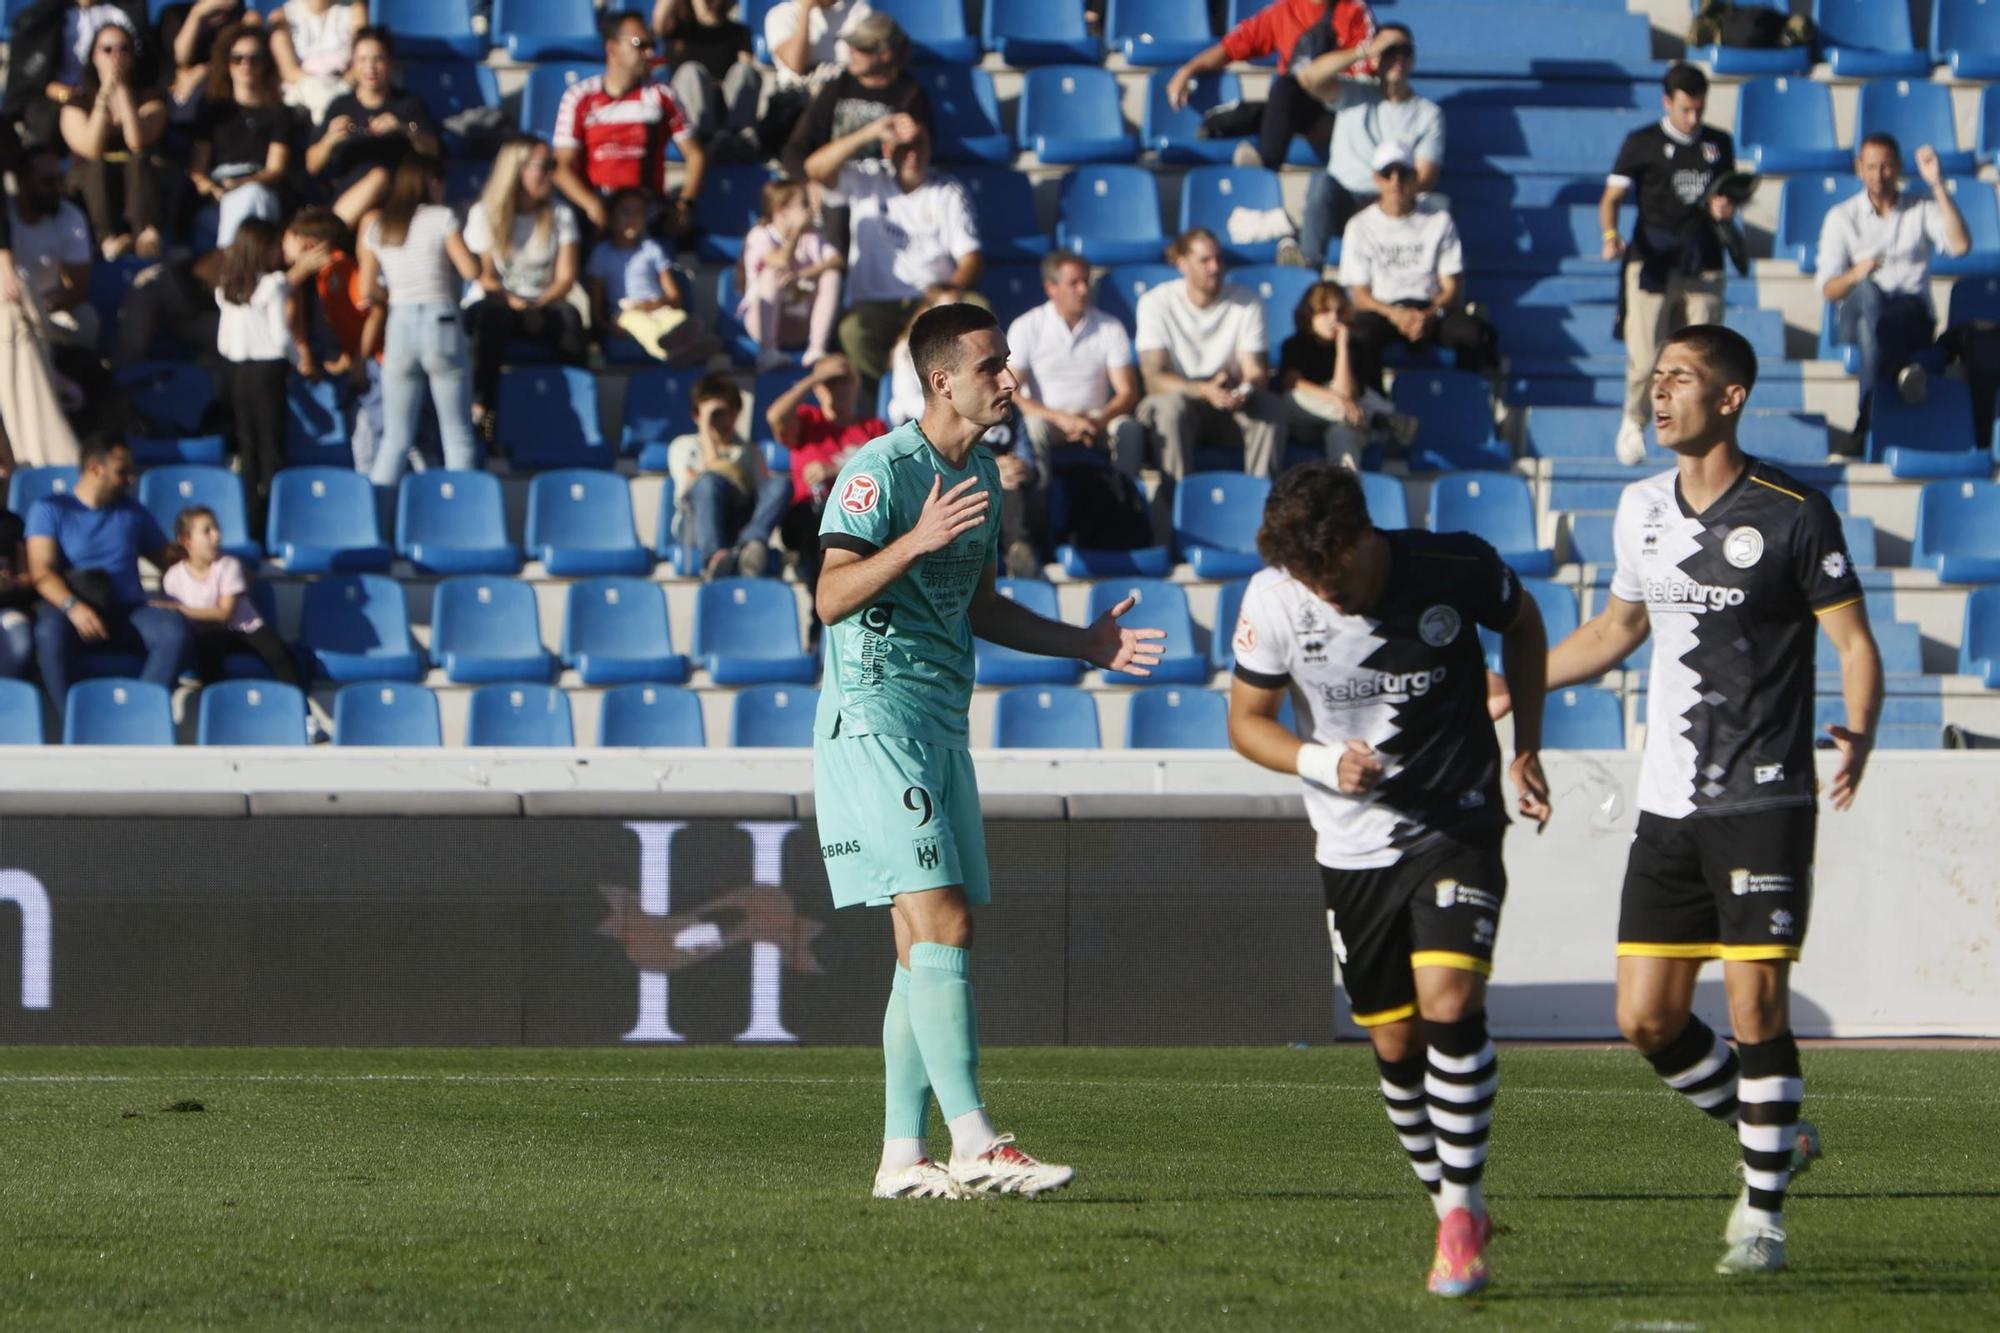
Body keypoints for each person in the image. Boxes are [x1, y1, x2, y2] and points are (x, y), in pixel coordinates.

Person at [1541, 324, 1882, 1276]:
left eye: (1679, 379)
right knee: (1645, 1018)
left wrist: (1857, 729)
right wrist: (1510, 685)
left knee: (1755, 1002)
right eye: (1654, 379)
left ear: (1730, 398)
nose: (1659, 395)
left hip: (1764, 794)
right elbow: (1614, 630)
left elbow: (1854, 642)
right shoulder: (1640, 507)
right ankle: (1776, 1133)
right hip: (1668, 803)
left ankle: (1764, 1216)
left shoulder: (1792, 511)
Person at [812, 302, 1164, 1201]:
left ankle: (900, 1157)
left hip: (938, 722)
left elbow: (982, 606)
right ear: (942, 380)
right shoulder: (880, 471)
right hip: (877, 720)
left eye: (1007, 361)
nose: (1011, 377)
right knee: (949, 923)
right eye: (993, 364)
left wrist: (1081, 645)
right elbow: (829, 596)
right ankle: (973, 1139)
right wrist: (913, 540)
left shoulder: (984, 479)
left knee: (918, 949)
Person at [1227, 461, 1550, 1298]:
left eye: (1328, 574)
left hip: (1456, 818)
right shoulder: (1271, 600)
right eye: (1303, 576)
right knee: (1395, 1042)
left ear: (1367, 537)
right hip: (1350, 843)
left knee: (1449, 1002)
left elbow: (1527, 624)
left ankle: (1463, 1212)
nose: (1318, 592)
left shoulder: (1456, 566)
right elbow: (1246, 722)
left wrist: (1527, 745)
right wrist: (1322, 759)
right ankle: (1444, 1197)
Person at [1601, 62, 1737, 466]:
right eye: (1685, 110)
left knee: (1704, 358)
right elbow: (1610, 198)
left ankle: (1701, 431)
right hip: (1653, 260)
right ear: (1667, 102)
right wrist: (1611, 236)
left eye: (1699, 109)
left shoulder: (1718, 144)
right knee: (1646, 358)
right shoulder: (1641, 142)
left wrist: (1724, 208)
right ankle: (1633, 419)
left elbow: (1727, 195)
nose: (1693, 118)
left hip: (1703, 261)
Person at [1817, 133, 1971, 446]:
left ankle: (1866, 424)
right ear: (1860, 168)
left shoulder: (1920, 208)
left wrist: (1937, 184)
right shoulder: (1841, 217)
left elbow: (1960, 245)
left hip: (1908, 316)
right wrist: (1856, 273)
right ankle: (1899, 370)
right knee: (1870, 297)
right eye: (1871, 167)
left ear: (1899, 167)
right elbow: (1829, 290)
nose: (1879, 175)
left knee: (1872, 331)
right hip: (1857, 306)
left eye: (1886, 166)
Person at [810, 119, 980, 400]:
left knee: (979, 312)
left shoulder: (947, 190)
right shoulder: (866, 178)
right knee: (852, 332)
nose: (912, 154)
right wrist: (868, 132)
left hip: (930, 298)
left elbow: (971, 258)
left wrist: (938, 300)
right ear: (888, 149)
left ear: (930, 149)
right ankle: (888, 397)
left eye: (919, 145)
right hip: (874, 303)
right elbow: (814, 169)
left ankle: (953, 400)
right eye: (904, 146)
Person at [25, 435, 190, 717]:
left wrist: (201, 553)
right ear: (94, 469)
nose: (131, 479)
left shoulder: (133, 512)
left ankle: (137, 718)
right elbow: (42, 572)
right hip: (71, 610)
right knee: (48, 634)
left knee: (173, 633)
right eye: (122, 471)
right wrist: (72, 607)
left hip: (126, 611)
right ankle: (73, 722)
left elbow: (168, 560)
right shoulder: (50, 509)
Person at [1135, 227, 1283, 539]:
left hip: (1228, 405)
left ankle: (1263, 520)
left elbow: (1256, 371)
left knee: (1268, 408)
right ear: (1183, 264)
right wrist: (1203, 389)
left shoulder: (1247, 302)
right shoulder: (1155, 303)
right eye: (1205, 260)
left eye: (1218, 259)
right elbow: (1153, 379)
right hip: (1178, 404)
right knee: (1170, 408)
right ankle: (1175, 522)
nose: (1215, 267)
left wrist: (1244, 389)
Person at [356, 153, 482, 487]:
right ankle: (462, 514)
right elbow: (471, 270)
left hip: (399, 323)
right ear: (432, 182)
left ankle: (378, 516)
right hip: (440, 320)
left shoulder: (379, 225)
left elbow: (368, 289)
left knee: (395, 437)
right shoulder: (441, 218)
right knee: (456, 431)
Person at [1339, 141, 1497, 394]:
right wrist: (1395, 314)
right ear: (1376, 179)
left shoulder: (1439, 220)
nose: (1395, 181)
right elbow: (1359, 295)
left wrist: (1428, 315)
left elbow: (1451, 287)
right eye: (1387, 173)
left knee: (1474, 334)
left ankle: (1466, 403)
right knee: (1358, 338)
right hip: (1382, 310)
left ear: (1415, 177)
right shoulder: (1360, 226)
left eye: (1403, 173)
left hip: (1430, 309)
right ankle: (1376, 410)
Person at [780, 10, 931, 259]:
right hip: (834, 186)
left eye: (860, 47)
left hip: (884, 193)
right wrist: (809, 182)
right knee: (831, 197)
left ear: (885, 54)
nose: (850, 52)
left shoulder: (910, 95)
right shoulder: (837, 87)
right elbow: (795, 149)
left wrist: (914, 137)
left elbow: (920, 154)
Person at [464, 136, 586, 437]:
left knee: (569, 318)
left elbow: (565, 278)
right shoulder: (484, 213)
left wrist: (538, 305)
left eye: (553, 166)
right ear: (516, 170)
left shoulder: (561, 214)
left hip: (543, 302)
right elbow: (486, 278)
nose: (552, 174)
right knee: (493, 318)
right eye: (544, 167)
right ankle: (483, 414)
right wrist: (517, 304)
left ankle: (572, 417)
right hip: (496, 303)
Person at [1164, 0, 1378, 172]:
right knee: (1284, 90)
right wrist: (1187, 70)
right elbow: (1230, 47)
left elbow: (1366, 80)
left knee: (1280, 96)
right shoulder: (1283, 10)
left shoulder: (1354, 11)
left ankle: (1266, 163)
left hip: (1340, 108)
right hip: (1295, 106)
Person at [1295, 23, 1441, 270]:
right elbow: (1308, 78)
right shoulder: (1354, 90)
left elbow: (1425, 177)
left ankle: (1432, 295)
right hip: (1344, 197)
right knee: (1321, 183)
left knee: (1440, 205)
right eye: (1389, 50)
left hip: (1392, 198)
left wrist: (1388, 194)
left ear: (1413, 60)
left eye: (1405, 51)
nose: (1397, 58)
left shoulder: (1427, 114)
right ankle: (1308, 272)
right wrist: (1363, 52)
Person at [551, 10, 707, 235]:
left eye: (651, 44)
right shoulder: (579, 97)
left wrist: (685, 203)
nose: (649, 52)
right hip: (597, 215)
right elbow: (561, 166)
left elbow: (695, 155)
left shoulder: (662, 96)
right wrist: (591, 204)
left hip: (648, 215)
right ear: (612, 48)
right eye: (639, 44)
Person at [216, 217, 325, 535]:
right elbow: (280, 337)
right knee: (272, 449)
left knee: (248, 449)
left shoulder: (227, 288)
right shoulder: (273, 284)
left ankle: (252, 523)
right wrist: (298, 360)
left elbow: (224, 341)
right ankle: (274, 525)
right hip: (268, 371)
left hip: (239, 371)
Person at [1004, 248, 1146, 486]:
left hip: (1096, 420)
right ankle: (1037, 510)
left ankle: (1125, 503)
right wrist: (1060, 419)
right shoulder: (1026, 327)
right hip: (1048, 420)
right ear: (1051, 288)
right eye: (1074, 283)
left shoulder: (1110, 327)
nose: (1083, 289)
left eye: (1086, 281)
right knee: (1033, 428)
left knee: (1128, 430)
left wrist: (1097, 422)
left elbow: (1127, 392)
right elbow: (1011, 392)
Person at [771, 351, 886, 606]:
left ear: (856, 383)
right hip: (807, 517)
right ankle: (822, 608)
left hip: (857, 517)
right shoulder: (807, 421)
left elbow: (884, 471)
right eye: (828, 381)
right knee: (820, 523)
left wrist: (836, 470)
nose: (836, 388)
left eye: (843, 379)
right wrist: (812, 379)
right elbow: (775, 418)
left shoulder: (872, 429)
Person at [306, 27, 442, 230]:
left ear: (390, 63)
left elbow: (433, 150)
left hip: (397, 199)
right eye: (362, 60)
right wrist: (329, 139)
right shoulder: (340, 106)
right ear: (353, 64)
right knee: (371, 209)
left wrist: (404, 129)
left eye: (377, 59)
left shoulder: (407, 105)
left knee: (376, 195)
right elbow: (312, 165)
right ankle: (332, 235)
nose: (370, 67)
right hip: (350, 196)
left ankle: (330, 235)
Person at [58, 19, 168, 260]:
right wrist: (104, 95)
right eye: (107, 49)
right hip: (91, 178)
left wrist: (124, 93)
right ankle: (107, 238)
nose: (115, 56)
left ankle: (145, 233)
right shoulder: (78, 102)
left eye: (123, 49)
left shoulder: (148, 98)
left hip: (137, 178)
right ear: (94, 56)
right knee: (96, 164)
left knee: (140, 159)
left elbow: (137, 141)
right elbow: (91, 148)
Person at [157, 504, 300, 686]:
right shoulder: (173, 577)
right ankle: (218, 706)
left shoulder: (229, 565)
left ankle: (297, 703)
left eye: (216, 528)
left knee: (279, 653)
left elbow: (225, 613)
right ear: (187, 541)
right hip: (208, 634)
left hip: (244, 629)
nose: (216, 536)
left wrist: (182, 609)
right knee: (207, 655)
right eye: (207, 531)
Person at [664, 373, 790, 579]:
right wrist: (706, 430)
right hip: (699, 524)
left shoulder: (750, 451)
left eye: (730, 412)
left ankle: (751, 545)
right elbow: (694, 483)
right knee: (708, 482)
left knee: (780, 483)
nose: (725, 420)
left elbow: (764, 498)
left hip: (741, 521)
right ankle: (714, 559)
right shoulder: (684, 446)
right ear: (697, 415)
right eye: (716, 414)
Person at [584, 187, 718, 365]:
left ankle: (691, 343)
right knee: (641, 324)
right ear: (611, 218)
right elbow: (596, 301)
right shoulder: (601, 253)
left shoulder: (652, 249)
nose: (632, 218)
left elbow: (675, 298)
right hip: (625, 313)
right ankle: (669, 354)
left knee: (677, 319)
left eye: (638, 212)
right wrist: (606, 326)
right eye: (625, 211)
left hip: (658, 307)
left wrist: (651, 305)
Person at [189, 24, 292, 251]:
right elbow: (197, 168)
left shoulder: (279, 112)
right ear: (227, 62)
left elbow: (275, 169)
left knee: (250, 197)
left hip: (260, 189)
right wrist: (211, 187)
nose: (246, 65)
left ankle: (230, 271)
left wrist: (240, 184)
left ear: (265, 64)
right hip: (217, 193)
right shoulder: (212, 109)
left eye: (254, 58)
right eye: (238, 58)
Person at [2, 0, 154, 153]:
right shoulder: (47, 15)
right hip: (70, 100)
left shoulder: (123, 12)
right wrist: (64, 94)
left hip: (122, 94)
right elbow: (33, 79)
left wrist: (117, 88)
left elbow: (146, 65)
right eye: (107, 50)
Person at [737, 178, 844, 371]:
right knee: (771, 274)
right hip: (761, 323)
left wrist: (802, 274)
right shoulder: (760, 235)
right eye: (802, 204)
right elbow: (780, 261)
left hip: (798, 319)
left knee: (831, 275)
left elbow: (837, 260)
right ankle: (767, 352)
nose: (808, 209)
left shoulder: (811, 236)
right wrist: (795, 232)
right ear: (781, 210)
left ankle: (816, 350)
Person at [6, 143, 100, 351]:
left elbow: (76, 287)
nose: (58, 188)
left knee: (87, 321)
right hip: (9, 306)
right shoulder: (6, 219)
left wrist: (44, 312)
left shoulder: (71, 217)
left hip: (53, 305)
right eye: (48, 182)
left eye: (60, 179)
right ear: (23, 182)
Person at [1277, 280, 1372, 468]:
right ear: (1310, 314)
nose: (1333, 318)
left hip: (1342, 419)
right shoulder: (1295, 344)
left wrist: (1342, 347)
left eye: (1338, 312)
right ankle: (1374, 419)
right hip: (1304, 418)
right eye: (1325, 311)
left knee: (1343, 433)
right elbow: (1293, 382)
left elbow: (1347, 394)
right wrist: (1337, 401)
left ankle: (1346, 493)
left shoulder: (1356, 348)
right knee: (1291, 398)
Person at [651, 0, 761, 161]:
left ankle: (739, 137)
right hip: (691, 111)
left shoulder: (738, 31)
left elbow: (747, 72)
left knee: (745, 71)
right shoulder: (677, 30)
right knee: (692, 72)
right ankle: (703, 139)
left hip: (726, 107)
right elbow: (659, 23)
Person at [762, 0, 875, 150]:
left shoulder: (858, 10)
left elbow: (871, 64)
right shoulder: (781, 15)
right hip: (801, 100)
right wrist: (806, 10)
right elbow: (796, 64)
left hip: (846, 98)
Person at [269, 0, 365, 123]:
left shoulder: (355, 10)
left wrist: (339, 88)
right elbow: (289, 72)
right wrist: (322, 90)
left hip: (344, 90)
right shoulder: (281, 16)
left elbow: (359, 63)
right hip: (301, 96)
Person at [0, 502, 34, 680]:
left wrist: (12, 583)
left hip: (7, 607)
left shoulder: (12, 524)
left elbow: (27, 577)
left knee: (20, 642)